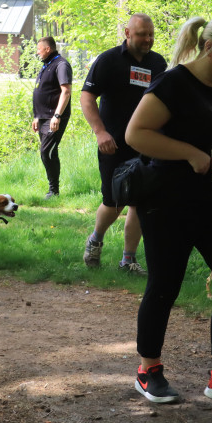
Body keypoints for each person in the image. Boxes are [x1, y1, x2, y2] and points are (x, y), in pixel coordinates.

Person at [125, 15, 212, 407]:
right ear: (210, 47)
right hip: (168, 201)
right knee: (165, 285)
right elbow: (136, 134)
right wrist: (189, 153)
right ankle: (148, 370)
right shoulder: (173, 83)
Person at [80, 14, 166, 274]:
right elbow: (86, 98)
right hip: (113, 144)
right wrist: (100, 132)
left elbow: (165, 101)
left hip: (146, 145)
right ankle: (95, 239)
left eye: (151, 34)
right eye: (142, 34)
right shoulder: (108, 61)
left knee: (140, 201)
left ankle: (128, 260)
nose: (148, 39)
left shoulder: (158, 63)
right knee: (114, 201)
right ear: (128, 33)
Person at [31, 36, 72, 198]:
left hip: (54, 117)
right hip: (42, 117)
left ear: (48, 49)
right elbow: (43, 91)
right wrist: (36, 116)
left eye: (39, 49)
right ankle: (53, 191)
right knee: (48, 153)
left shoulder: (61, 65)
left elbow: (66, 91)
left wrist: (57, 115)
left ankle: (53, 190)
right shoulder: (47, 64)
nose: (37, 52)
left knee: (46, 152)